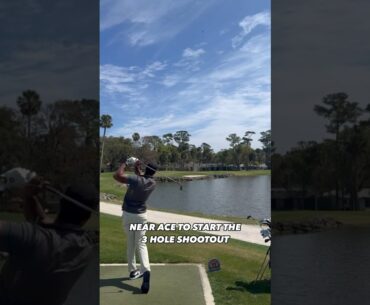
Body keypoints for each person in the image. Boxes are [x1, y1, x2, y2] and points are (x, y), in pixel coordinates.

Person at [0, 170, 98, 305]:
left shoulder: (31, 236)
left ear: (61, 203)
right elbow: (43, 220)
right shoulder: (86, 247)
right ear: (87, 216)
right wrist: (30, 197)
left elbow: (42, 226)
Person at [113, 158, 157, 294]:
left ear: (146, 168)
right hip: (141, 217)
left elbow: (117, 176)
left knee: (130, 244)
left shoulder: (136, 180)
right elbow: (141, 178)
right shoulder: (152, 183)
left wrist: (125, 163)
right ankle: (145, 270)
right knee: (141, 244)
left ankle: (133, 271)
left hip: (128, 215)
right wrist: (137, 167)